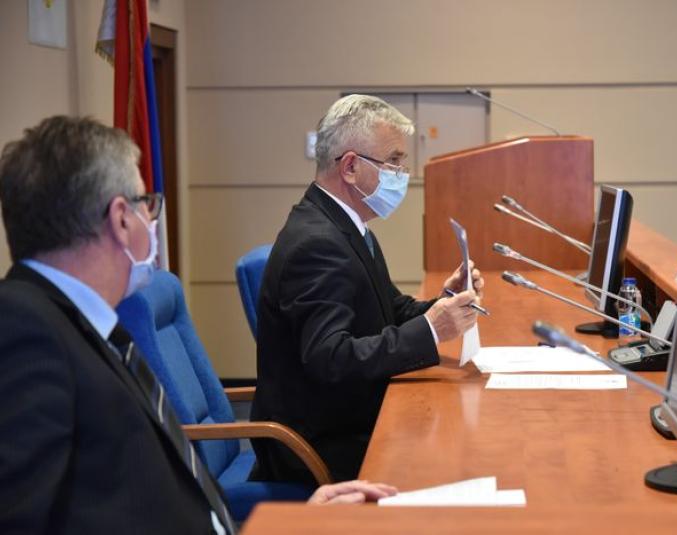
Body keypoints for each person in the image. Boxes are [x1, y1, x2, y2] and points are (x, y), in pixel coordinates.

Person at [0, 116, 397, 535]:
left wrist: (293, 521)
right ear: (121, 219)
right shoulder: (26, 331)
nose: (150, 218)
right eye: (146, 203)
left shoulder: (86, 325)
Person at [250, 95, 485, 485]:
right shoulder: (317, 243)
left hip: (348, 417)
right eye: (393, 161)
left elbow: (389, 310)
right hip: (319, 446)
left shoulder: (346, 226)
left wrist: (446, 305)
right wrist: (432, 330)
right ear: (351, 167)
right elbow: (331, 359)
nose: (402, 173)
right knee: (454, 456)